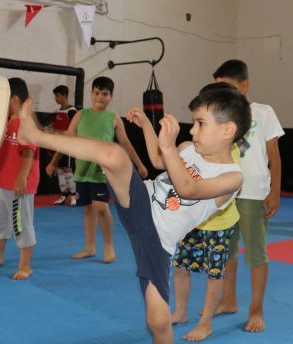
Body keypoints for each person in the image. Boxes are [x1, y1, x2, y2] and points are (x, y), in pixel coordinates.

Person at [18, 83, 250, 343]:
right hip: (142, 204)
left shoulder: (231, 178)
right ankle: (34, 135)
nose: (192, 130)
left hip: (159, 241)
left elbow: (189, 188)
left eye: (200, 123)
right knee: (114, 154)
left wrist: (170, 148)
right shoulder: (188, 148)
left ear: (228, 130)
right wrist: (148, 128)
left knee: (158, 321)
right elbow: (158, 161)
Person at [212, 59, 284, 333]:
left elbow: (274, 157)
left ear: (245, 86)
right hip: (226, 193)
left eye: (228, 87)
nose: (224, 94)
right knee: (226, 251)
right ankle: (229, 300)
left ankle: (256, 309)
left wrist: (275, 191)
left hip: (255, 194)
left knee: (256, 254)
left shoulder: (263, 113)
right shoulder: (220, 116)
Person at [47, 76, 148, 263]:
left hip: (100, 170)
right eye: (96, 92)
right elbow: (66, 140)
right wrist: (53, 162)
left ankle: (109, 247)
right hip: (81, 170)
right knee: (87, 208)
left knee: (100, 207)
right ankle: (90, 246)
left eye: (104, 94)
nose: (100, 97)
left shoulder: (113, 118)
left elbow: (125, 143)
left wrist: (139, 165)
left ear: (111, 96)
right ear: (91, 93)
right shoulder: (81, 115)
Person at [170, 123, 241, 341]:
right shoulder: (193, 148)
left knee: (214, 273)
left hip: (218, 224)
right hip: (193, 220)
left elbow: (220, 188)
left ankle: (206, 323)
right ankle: (181, 312)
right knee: (180, 265)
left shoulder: (229, 153)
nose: (195, 130)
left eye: (202, 124)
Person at [0, 78, 40, 280]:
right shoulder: (8, 122)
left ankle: (25, 265)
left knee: (20, 224)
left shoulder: (25, 123)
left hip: (19, 185)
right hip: (3, 182)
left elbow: (29, 152)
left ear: (14, 100)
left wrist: (21, 178)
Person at [47, 85, 78, 206]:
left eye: (57, 96)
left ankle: (75, 196)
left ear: (64, 95)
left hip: (67, 146)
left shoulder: (72, 112)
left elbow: (76, 130)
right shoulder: (58, 111)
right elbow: (54, 127)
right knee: (59, 170)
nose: (55, 98)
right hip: (57, 146)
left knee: (67, 170)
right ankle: (64, 196)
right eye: (55, 96)